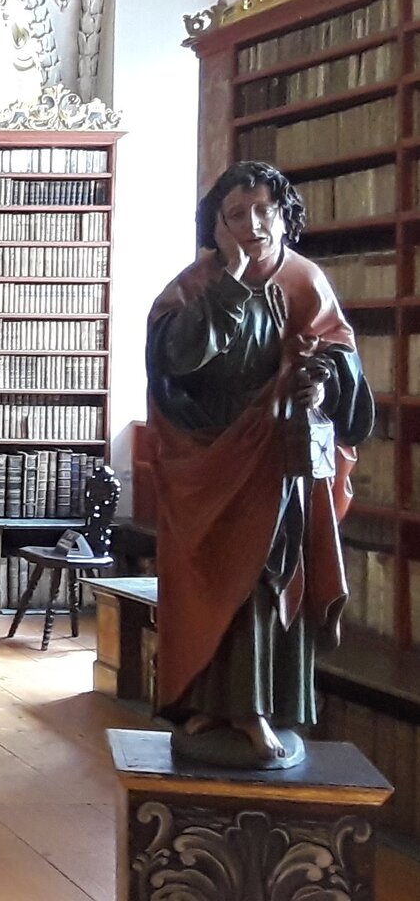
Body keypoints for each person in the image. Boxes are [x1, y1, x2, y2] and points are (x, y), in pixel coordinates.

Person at [145, 160, 373, 767]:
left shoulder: (305, 280)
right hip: (209, 459)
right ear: (215, 226)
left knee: (264, 580)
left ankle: (257, 710)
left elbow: (341, 359)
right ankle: (208, 702)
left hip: (277, 461)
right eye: (236, 215)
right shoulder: (194, 286)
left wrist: (321, 387)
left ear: (283, 218)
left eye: (264, 212)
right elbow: (174, 359)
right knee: (206, 578)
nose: (252, 225)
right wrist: (231, 287)